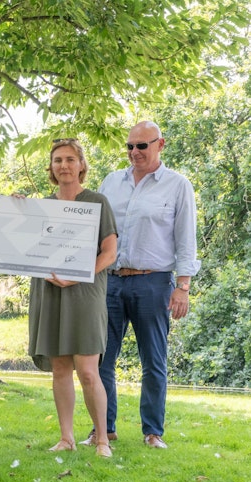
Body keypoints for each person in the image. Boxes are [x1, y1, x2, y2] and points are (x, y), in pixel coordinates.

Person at [83, 121, 200, 450]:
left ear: (160, 144)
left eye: (142, 146)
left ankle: (152, 432)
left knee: (153, 361)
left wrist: (183, 286)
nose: (134, 152)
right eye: (130, 146)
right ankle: (104, 429)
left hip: (154, 283)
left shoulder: (177, 186)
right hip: (110, 282)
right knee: (101, 359)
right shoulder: (111, 182)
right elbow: (92, 229)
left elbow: (186, 239)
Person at [27, 139, 117, 458]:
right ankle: (66, 438)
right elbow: (20, 242)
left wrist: (76, 275)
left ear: (81, 165)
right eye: (57, 160)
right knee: (60, 369)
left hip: (84, 293)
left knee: (88, 371)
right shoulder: (40, 206)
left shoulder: (97, 202)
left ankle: (102, 439)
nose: (63, 165)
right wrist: (15, 210)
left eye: (69, 159)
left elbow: (109, 253)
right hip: (49, 291)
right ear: (51, 167)